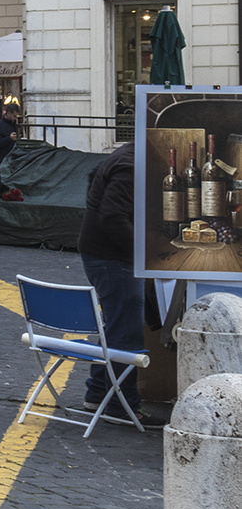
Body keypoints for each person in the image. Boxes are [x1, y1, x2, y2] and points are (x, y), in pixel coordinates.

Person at [79, 141, 163, 428]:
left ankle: (98, 392)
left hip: (103, 253)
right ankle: (121, 405)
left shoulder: (130, 152)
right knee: (126, 333)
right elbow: (112, 216)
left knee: (116, 325)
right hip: (113, 258)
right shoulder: (132, 163)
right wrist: (142, 255)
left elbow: (93, 179)